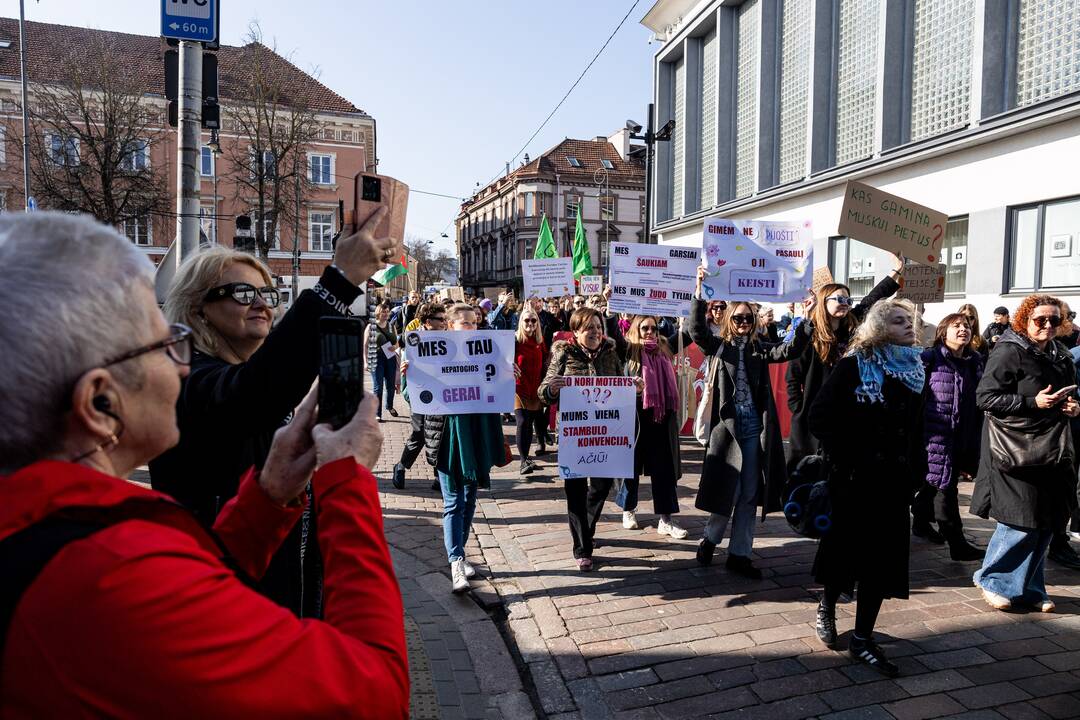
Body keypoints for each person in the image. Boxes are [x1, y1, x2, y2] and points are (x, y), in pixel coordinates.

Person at [0, 212, 408, 717]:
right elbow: (373, 690)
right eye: (165, 344)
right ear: (99, 403)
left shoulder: (56, 525)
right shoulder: (112, 571)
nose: (182, 364)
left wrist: (266, 497)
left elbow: (203, 571)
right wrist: (347, 481)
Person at [151, 206, 397, 616]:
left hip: (290, 588)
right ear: (197, 308)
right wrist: (338, 282)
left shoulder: (250, 374)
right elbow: (252, 396)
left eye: (267, 294)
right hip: (221, 598)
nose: (261, 304)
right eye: (243, 294)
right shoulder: (186, 378)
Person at [809, 298, 927, 677]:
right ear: (878, 327)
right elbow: (820, 418)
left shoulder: (915, 368)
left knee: (881, 562)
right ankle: (827, 606)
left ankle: (862, 637)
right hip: (855, 481)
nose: (908, 326)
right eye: (898, 321)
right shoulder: (853, 366)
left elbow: (917, 428)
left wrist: (916, 473)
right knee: (843, 555)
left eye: (910, 320)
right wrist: (851, 458)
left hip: (894, 482)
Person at [689, 267, 814, 578]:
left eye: (748, 318)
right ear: (729, 320)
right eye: (739, 318)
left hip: (753, 431)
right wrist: (699, 292)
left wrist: (807, 320)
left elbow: (790, 348)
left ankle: (740, 554)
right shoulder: (720, 346)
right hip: (727, 429)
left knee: (748, 493)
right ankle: (710, 538)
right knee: (726, 492)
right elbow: (697, 332)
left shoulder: (760, 349)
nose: (744, 323)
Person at [971, 294, 1080, 608]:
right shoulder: (1009, 351)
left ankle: (1030, 588)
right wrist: (1034, 403)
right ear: (1024, 320)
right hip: (1014, 447)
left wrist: (1072, 407)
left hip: (1052, 448)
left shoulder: (1061, 354)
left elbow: (1068, 394)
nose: (1047, 325)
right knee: (1019, 518)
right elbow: (986, 398)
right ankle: (993, 580)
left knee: (1046, 519)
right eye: (1040, 320)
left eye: (1054, 320)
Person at [539, 307, 642, 571]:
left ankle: (587, 527)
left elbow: (621, 384)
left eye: (598, 327)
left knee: (601, 486)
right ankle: (582, 547)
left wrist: (635, 388)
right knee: (575, 491)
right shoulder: (563, 352)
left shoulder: (610, 352)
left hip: (606, 436)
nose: (595, 332)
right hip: (575, 437)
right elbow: (543, 391)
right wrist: (552, 388)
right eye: (589, 328)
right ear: (576, 331)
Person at [785, 254, 904, 474]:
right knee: (808, 472)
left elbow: (873, 298)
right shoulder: (808, 334)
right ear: (824, 302)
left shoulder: (851, 327)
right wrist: (799, 409)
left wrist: (897, 270)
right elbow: (792, 378)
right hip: (813, 414)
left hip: (845, 412)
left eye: (848, 301)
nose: (846, 304)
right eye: (839, 299)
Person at [423, 303, 507, 593]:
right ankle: (456, 562)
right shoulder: (433, 354)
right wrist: (410, 374)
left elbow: (498, 387)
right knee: (453, 501)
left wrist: (509, 375)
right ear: (450, 326)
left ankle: (461, 549)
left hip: (476, 434)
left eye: (475, 322)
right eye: (466, 323)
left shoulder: (488, 351)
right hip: (448, 436)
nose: (472, 327)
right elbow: (415, 395)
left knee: (470, 499)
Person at [913, 313, 985, 560]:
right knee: (946, 486)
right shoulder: (930, 358)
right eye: (956, 326)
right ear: (943, 332)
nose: (963, 330)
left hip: (963, 435)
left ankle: (920, 522)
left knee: (934, 482)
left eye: (966, 326)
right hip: (933, 435)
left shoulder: (975, 361)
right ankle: (957, 543)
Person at [615, 315, 687, 538]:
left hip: (661, 421)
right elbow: (613, 333)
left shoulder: (665, 348)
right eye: (644, 328)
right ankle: (628, 510)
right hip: (634, 420)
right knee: (630, 468)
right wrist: (610, 310)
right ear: (636, 329)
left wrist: (697, 296)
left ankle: (666, 520)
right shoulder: (629, 349)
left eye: (653, 328)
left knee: (664, 471)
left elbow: (693, 332)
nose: (650, 332)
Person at [392, 302, 448, 490]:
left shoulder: (449, 339)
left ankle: (438, 476)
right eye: (440, 319)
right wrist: (402, 372)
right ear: (427, 321)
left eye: (445, 319)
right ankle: (400, 466)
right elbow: (392, 350)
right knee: (420, 433)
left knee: (439, 434)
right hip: (419, 394)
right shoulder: (413, 339)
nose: (444, 323)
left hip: (442, 395)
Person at [514, 307, 548, 475]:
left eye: (533, 320)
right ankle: (522, 461)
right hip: (518, 388)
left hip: (536, 389)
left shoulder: (540, 342)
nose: (530, 323)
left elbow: (546, 364)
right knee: (521, 421)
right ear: (521, 322)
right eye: (526, 320)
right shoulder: (514, 340)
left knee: (529, 424)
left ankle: (527, 458)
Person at [365, 301, 399, 421]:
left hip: (390, 357)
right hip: (376, 358)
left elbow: (397, 343)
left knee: (390, 386)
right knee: (378, 387)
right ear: (378, 313)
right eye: (383, 311)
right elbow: (365, 344)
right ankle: (377, 413)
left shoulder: (391, 326)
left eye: (387, 311)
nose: (385, 314)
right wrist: (365, 361)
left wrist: (394, 347)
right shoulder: (371, 326)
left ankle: (389, 406)